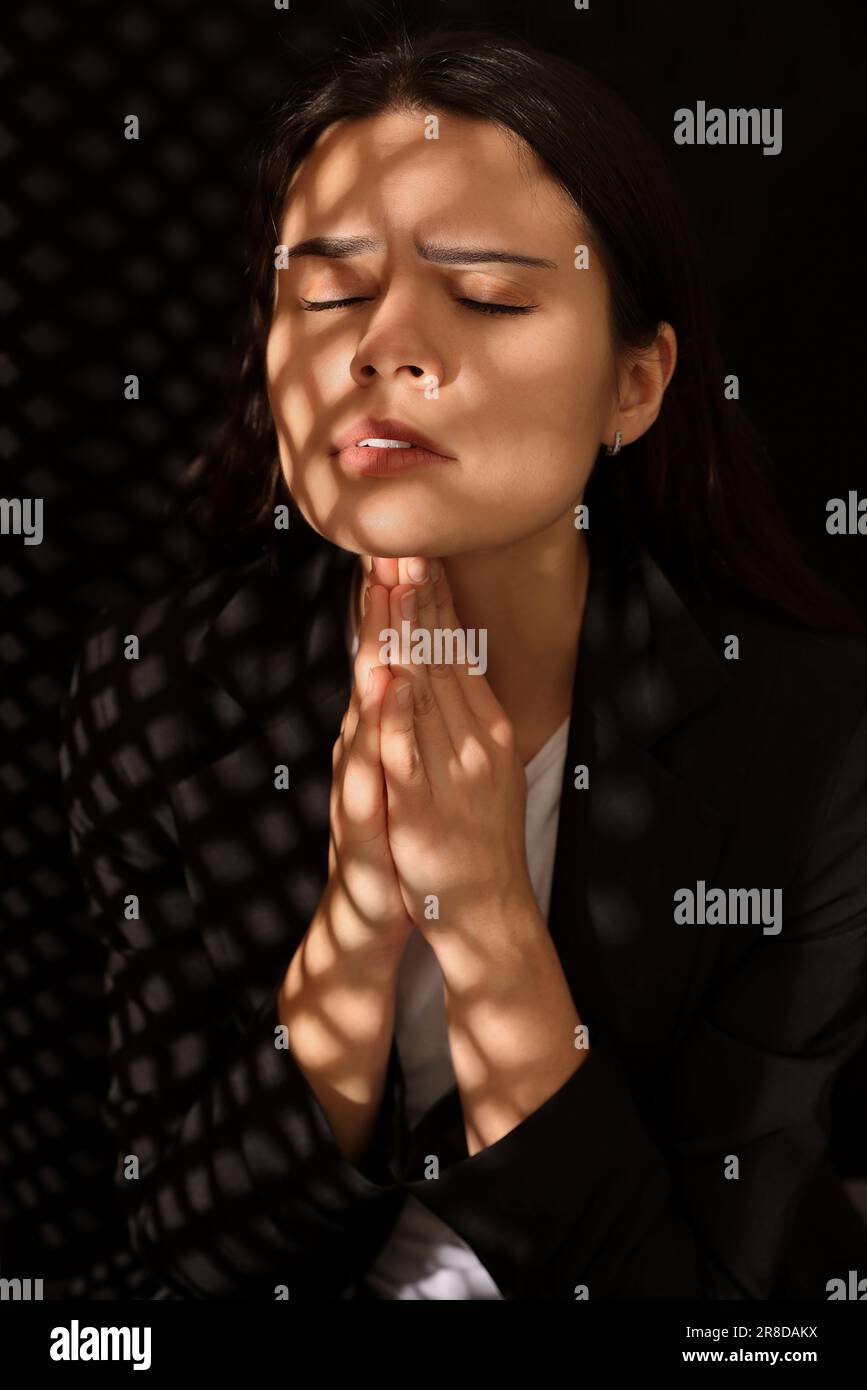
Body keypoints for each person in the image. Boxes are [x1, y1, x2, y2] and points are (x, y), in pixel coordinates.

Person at [60, 24, 867, 1300]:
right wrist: (362, 921)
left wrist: (487, 917)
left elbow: (723, 1311)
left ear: (637, 384)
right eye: (328, 292)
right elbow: (183, 1255)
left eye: (487, 295)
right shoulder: (157, 691)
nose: (386, 347)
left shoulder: (811, 733)